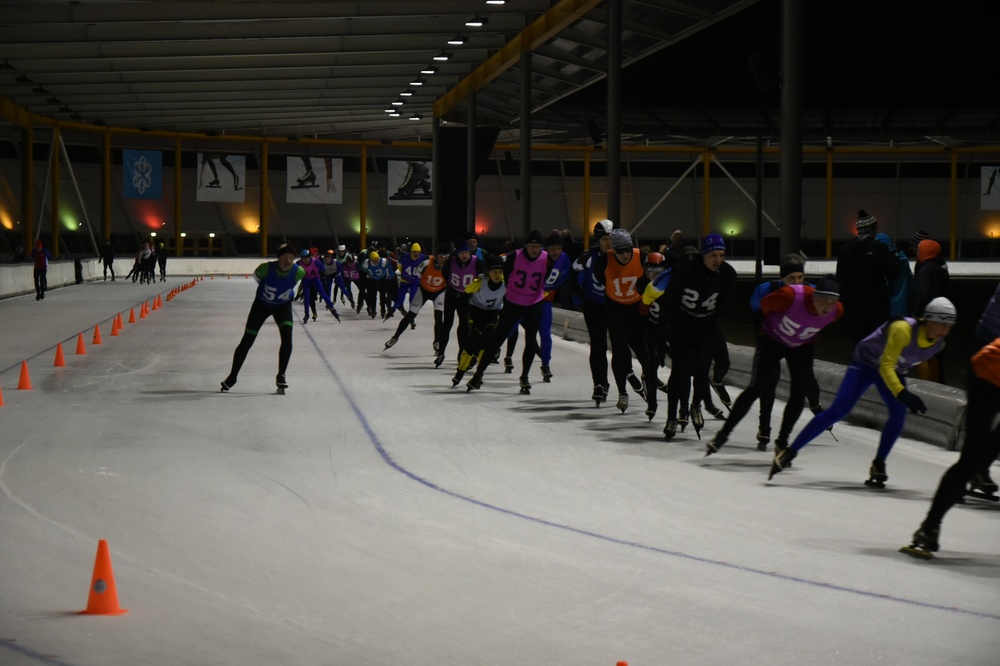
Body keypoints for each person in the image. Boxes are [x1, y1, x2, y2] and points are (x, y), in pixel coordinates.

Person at [770, 297, 958, 486]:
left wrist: (905, 390)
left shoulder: (938, 344)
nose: (945, 330)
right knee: (839, 410)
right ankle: (790, 452)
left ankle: (879, 463)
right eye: (942, 324)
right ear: (929, 319)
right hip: (865, 364)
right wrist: (902, 392)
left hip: (891, 370)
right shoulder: (902, 329)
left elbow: (902, 361)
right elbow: (886, 366)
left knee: (898, 413)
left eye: (949, 326)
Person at [706, 276, 843, 456]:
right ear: (814, 297)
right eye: (824, 301)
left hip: (802, 345)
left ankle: (782, 441)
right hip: (773, 340)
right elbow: (764, 308)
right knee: (757, 387)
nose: (827, 307)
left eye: (832, 302)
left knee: (799, 392)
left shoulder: (836, 311)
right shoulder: (789, 296)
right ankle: (723, 434)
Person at [902, 336, 1000, 558]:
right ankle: (930, 526)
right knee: (972, 458)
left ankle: (980, 467)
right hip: (986, 375)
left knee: (980, 454)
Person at [661, 233, 737, 439]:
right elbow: (668, 301)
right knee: (680, 370)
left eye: (721, 255)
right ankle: (671, 417)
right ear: (703, 255)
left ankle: (696, 405)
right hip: (682, 324)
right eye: (713, 255)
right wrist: (663, 332)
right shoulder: (686, 270)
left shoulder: (728, 274)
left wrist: (711, 320)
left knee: (703, 369)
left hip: (706, 326)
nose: (717, 260)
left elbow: (725, 302)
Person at [465, 230, 548, 394]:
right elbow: (506, 276)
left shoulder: (546, 258)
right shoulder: (515, 256)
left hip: (533, 303)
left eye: (538, 246)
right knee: (497, 339)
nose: (534, 250)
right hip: (514, 303)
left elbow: (547, 277)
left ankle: (524, 377)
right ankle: (478, 374)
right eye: (532, 246)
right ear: (526, 246)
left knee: (531, 339)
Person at [220, 242, 305, 393]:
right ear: (279, 257)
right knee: (247, 341)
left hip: (282, 306)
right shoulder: (265, 269)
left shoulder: (299, 272)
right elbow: (259, 280)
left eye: (291, 258)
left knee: (287, 338)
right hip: (261, 306)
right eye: (285, 257)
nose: (288, 261)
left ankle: (281, 375)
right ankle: (233, 376)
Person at [593, 228, 652, 414]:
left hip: (636, 307)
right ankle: (622, 392)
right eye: (620, 251)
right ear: (613, 250)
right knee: (618, 349)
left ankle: (648, 380)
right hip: (615, 307)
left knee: (643, 349)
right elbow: (600, 279)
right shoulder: (603, 261)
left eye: (628, 250)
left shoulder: (641, 257)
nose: (625, 255)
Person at [836, 209, 900, 344]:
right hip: (876, 306)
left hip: (854, 307)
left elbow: (841, 279)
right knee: (876, 343)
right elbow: (893, 274)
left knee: (858, 341)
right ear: (872, 230)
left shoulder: (845, 251)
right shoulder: (879, 248)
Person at [572, 219, 613, 405]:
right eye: (605, 239)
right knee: (598, 345)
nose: (609, 243)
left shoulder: (621, 255)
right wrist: (577, 294)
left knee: (620, 346)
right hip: (594, 305)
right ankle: (599, 383)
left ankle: (625, 384)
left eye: (611, 239)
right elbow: (572, 273)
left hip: (615, 306)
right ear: (598, 240)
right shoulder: (589, 256)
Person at [452, 255, 506, 387]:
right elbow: (465, 292)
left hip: (493, 313)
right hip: (476, 312)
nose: (497, 275)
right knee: (473, 340)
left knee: (488, 339)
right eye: (494, 272)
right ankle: (460, 371)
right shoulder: (480, 282)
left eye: (500, 272)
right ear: (488, 272)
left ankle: (479, 373)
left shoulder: (506, 283)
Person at [384, 248, 449, 350]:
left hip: (439, 292)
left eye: (446, 257)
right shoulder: (427, 263)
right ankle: (395, 337)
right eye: (441, 257)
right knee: (411, 314)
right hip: (423, 291)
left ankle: (437, 341)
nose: (443, 260)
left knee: (439, 317)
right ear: (436, 256)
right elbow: (418, 275)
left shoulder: (449, 266)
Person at [438, 242, 484, 367]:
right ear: (457, 253)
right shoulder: (450, 262)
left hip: (466, 297)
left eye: (467, 252)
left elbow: (481, 278)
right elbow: (445, 274)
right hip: (452, 294)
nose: (465, 255)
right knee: (447, 323)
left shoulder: (477, 262)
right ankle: (441, 352)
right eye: (462, 253)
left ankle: (461, 352)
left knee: (464, 324)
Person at [535, 231, 573, 381]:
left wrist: (552, 290)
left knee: (545, 333)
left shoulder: (565, 258)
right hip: (528, 300)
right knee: (513, 329)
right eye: (552, 248)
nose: (556, 252)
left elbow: (565, 276)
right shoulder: (539, 256)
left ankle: (545, 364)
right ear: (546, 248)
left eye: (559, 248)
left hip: (546, 301)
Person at [874, 233, 913, 318]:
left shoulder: (882, 261)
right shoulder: (903, 260)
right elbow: (911, 285)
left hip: (885, 307)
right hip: (901, 307)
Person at [386, 242, 426, 319]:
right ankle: (392, 310)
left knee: (412, 299)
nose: (416, 253)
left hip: (415, 281)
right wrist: (405, 275)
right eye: (414, 251)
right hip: (405, 280)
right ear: (411, 251)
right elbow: (399, 267)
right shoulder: (404, 257)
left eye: (417, 252)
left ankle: (411, 316)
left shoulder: (423, 257)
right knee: (400, 299)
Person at [298, 249, 340, 323]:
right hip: (306, 280)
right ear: (301, 259)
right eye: (304, 259)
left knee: (323, 294)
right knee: (306, 296)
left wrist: (321, 278)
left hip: (315, 279)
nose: (306, 260)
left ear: (310, 257)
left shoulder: (315, 262)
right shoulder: (299, 263)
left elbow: (322, 270)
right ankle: (306, 314)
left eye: (307, 258)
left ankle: (332, 309)